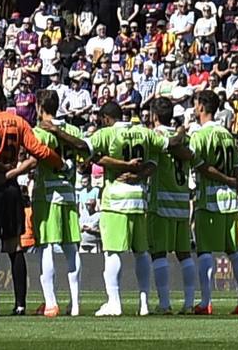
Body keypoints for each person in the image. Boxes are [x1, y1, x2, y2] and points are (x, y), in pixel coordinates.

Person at [0, 82, 58, 316]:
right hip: (11, 187)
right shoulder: (18, 121)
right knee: (14, 245)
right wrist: (59, 162)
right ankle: (19, 305)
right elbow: (37, 151)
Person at [89, 100, 162, 316]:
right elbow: (155, 162)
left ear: (106, 119)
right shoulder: (143, 132)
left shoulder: (108, 133)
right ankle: (144, 304)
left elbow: (87, 151)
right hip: (139, 198)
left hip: (116, 198)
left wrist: (123, 166)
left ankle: (114, 302)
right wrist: (138, 174)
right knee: (141, 253)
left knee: (113, 252)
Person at [188, 89, 238, 316]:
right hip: (231, 201)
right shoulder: (228, 135)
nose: (195, 109)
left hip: (210, 199)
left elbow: (200, 165)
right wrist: (231, 182)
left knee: (205, 251)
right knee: (234, 251)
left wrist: (224, 180)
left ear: (202, 107)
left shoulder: (200, 135)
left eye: (196, 105)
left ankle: (206, 301)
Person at [31, 90, 90, 317]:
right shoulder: (73, 130)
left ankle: (51, 302)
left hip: (47, 193)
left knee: (46, 246)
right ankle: (75, 304)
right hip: (68, 192)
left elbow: (33, 158)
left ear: (39, 107)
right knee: (70, 248)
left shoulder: (39, 132)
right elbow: (85, 154)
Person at [144, 97, 197, 313]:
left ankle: (164, 303)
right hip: (182, 202)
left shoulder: (157, 136)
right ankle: (189, 303)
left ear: (154, 116)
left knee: (158, 253)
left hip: (161, 202)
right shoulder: (182, 137)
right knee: (184, 253)